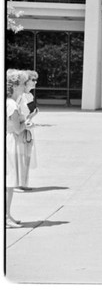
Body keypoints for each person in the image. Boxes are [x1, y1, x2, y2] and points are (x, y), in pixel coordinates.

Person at [6, 69, 29, 228]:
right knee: (9, 182)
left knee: (9, 182)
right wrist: (27, 123)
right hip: (10, 143)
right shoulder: (12, 104)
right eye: (22, 84)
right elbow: (16, 129)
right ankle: (5, 217)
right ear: (14, 86)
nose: (24, 86)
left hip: (10, 141)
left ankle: (7, 215)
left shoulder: (10, 102)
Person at [17, 69, 39, 191]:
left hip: (29, 129)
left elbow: (31, 112)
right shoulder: (19, 96)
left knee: (27, 156)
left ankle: (24, 183)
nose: (35, 82)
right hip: (20, 129)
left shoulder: (30, 95)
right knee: (20, 156)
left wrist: (32, 116)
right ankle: (19, 183)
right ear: (26, 81)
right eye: (33, 80)